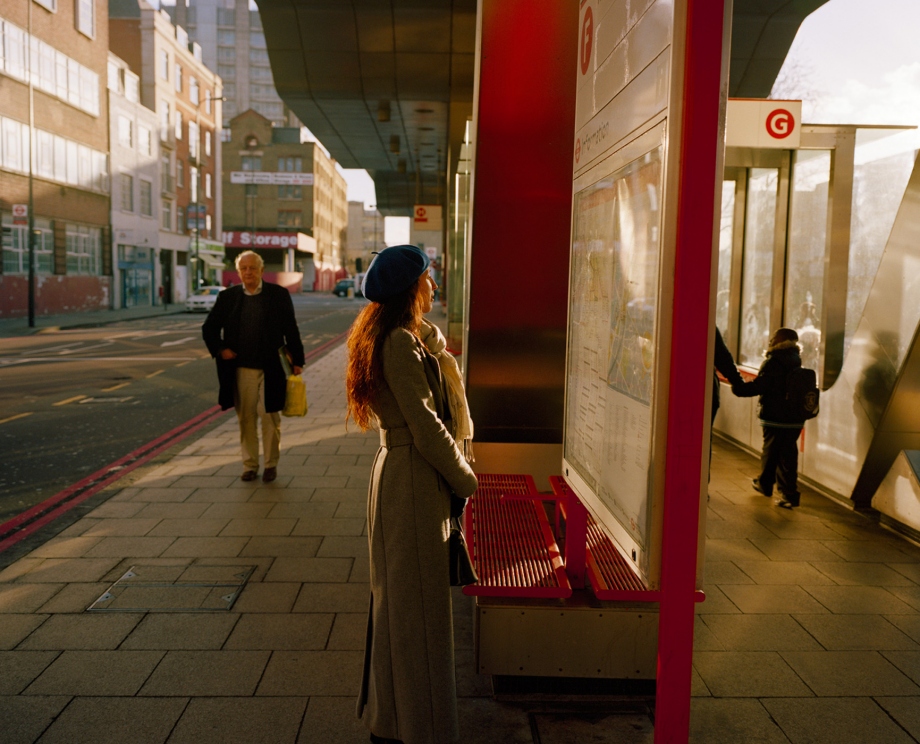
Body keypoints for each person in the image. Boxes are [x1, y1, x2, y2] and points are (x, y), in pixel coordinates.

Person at [346, 245, 478, 744]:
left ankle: (395, 720)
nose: (434, 286)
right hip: (414, 480)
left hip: (401, 476)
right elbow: (426, 428)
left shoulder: (399, 336)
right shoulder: (399, 344)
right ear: (411, 287)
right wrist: (466, 478)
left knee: (399, 607)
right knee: (417, 613)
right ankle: (420, 729)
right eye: (428, 278)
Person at [202, 250, 304, 483]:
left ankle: (270, 465)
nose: (248, 272)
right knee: (246, 419)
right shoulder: (228, 297)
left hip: (272, 368)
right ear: (238, 272)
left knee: (269, 417)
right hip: (240, 369)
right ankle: (250, 465)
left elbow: (291, 329)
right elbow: (209, 328)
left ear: (261, 270)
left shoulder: (278, 295)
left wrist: (297, 361)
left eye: (253, 268)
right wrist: (220, 349)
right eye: (244, 268)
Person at [732, 327, 805, 508]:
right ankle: (789, 493)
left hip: (775, 415)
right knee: (787, 453)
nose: (770, 340)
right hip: (794, 418)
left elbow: (762, 385)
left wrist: (739, 389)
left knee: (771, 451)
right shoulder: (796, 360)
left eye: (774, 337)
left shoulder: (774, 361)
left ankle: (766, 485)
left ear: (781, 340)